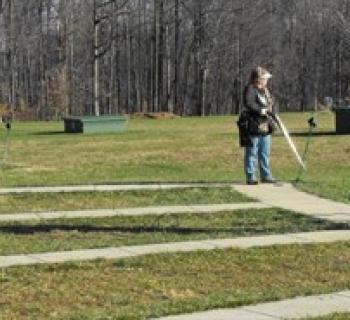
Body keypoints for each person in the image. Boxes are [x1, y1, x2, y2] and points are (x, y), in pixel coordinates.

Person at [242, 66, 277, 185]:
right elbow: (249, 103)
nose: (266, 81)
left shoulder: (266, 91)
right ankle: (251, 176)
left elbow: (272, 103)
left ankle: (266, 175)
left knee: (264, 151)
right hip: (253, 124)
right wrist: (261, 110)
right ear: (258, 79)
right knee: (252, 151)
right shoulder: (250, 89)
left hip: (265, 125)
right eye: (264, 78)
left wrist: (274, 114)